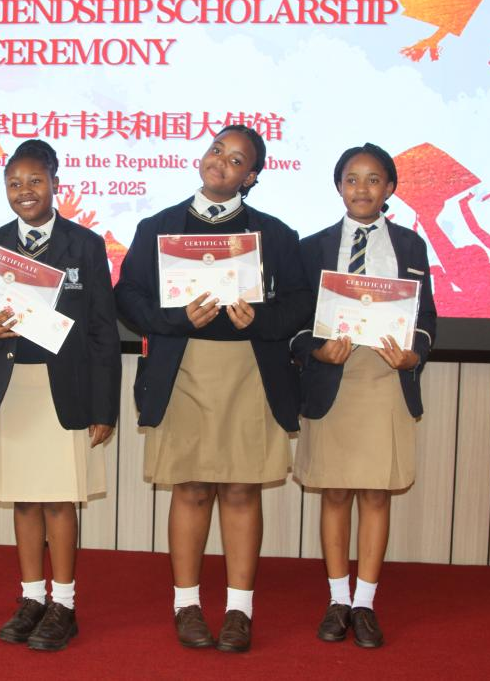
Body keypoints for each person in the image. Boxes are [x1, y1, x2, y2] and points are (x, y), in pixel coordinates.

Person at [114, 125, 310, 652]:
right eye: (216, 149)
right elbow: (127, 296)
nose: (221, 160)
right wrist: (172, 318)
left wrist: (261, 318)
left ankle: (240, 610)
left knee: (243, 489)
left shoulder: (275, 234)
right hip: (183, 370)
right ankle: (187, 605)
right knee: (192, 488)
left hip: (250, 371)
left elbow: (300, 303)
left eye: (237, 159)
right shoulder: (159, 226)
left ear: (252, 177)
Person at [0, 139, 121, 652]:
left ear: (55, 183)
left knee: (59, 499)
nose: (24, 191)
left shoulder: (85, 245)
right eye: (14, 183)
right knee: (24, 499)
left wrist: (105, 406)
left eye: (35, 181)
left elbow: (103, 331)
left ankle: (64, 605)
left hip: (65, 390)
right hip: (13, 389)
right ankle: (32, 598)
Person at [290, 142, 437, 648]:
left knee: (376, 492)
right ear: (339, 187)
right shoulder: (311, 248)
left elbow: (427, 317)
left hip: (385, 378)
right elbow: (294, 323)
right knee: (335, 491)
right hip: (333, 379)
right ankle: (337, 600)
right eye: (352, 179)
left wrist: (414, 355)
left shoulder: (411, 246)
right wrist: (316, 350)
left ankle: (365, 604)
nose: (362, 188)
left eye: (374, 179)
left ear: (390, 188)